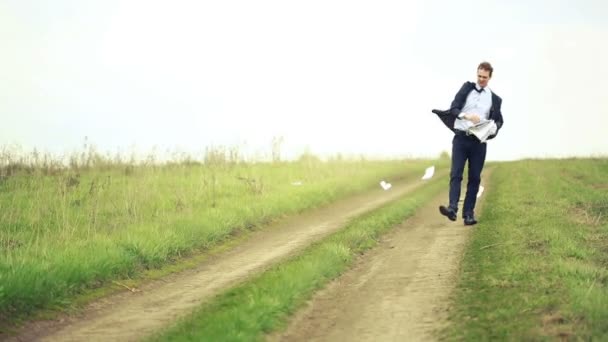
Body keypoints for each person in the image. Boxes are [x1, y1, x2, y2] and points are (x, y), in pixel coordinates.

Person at [432, 61, 504, 225]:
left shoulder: (495, 99)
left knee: (474, 178)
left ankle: (468, 214)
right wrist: (466, 116)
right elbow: (454, 108)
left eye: (484, 77)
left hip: (479, 141)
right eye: (479, 76)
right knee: (456, 174)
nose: (481, 79)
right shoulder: (467, 88)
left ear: (490, 77)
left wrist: (492, 129)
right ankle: (452, 208)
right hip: (461, 138)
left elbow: (499, 121)